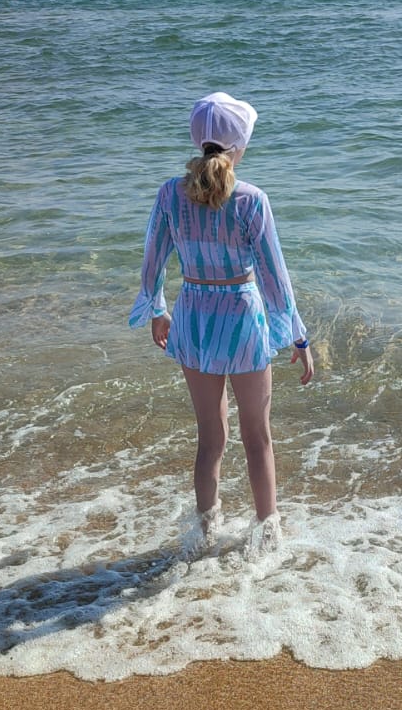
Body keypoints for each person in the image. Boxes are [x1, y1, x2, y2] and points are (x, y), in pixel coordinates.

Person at [130, 91, 314, 552]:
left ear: (199, 140)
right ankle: (267, 535)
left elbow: (153, 258)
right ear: (239, 145)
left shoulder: (170, 193)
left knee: (211, 438)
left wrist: (157, 309)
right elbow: (274, 275)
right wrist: (297, 336)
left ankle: (203, 533)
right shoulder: (251, 199)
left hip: (193, 316)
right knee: (258, 437)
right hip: (242, 319)